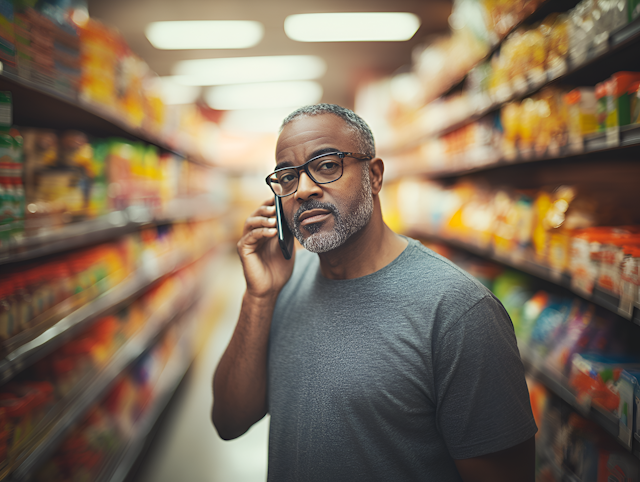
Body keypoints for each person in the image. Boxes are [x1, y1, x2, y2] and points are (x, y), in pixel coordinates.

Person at [212, 104, 537, 482]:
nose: (303, 189)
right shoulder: (281, 285)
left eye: (327, 165)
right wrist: (258, 297)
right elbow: (229, 420)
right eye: (287, 177)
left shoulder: (459, 311)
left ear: (374, 175)